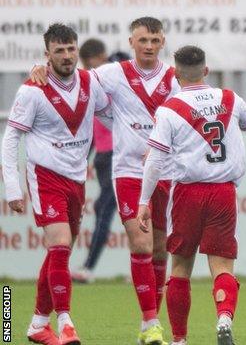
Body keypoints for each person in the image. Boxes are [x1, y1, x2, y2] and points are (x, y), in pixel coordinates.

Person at [31, 17, 179, 344]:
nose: (149, 46)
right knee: (139, 243)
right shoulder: (112, 74)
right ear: (131, 42)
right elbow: (70, 78)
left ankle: (148, 328)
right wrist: (39, 68)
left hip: (166, 173)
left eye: (155, 40)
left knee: (159, 250)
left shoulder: (173, 78)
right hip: (127, 171)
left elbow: (186, 117)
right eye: (143, 41)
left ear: (163, 41)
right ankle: (151, 322)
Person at [137, 45, 246, 345]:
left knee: (180, 267)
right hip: (223, 192)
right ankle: (224, 317)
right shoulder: (229, 98)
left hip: (188, 193)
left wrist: (143, 201)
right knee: (222, 266)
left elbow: (154, 159)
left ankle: (179, 340)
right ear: (206, 70)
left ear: (175, 74)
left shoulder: (169, 109)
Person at [2, 23, 110, 345]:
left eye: (71, 49)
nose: (66, 56)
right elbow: (11, 139)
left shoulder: (92, 82)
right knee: (61, 243)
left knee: (57, 253)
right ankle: (65, 323)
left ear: (77, 50)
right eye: (59, 50)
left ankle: (37, 324)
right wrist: (11, 187)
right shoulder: (32, 90)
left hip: (76, 178)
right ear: (46, 54)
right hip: (44, 175)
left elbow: (114, 114)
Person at [71, 39, 124, 284]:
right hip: (105, 156)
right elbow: (92, 129)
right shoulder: (92, 85)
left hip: (122, 153)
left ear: (102, 57)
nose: (93, 71)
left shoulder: (116, 73)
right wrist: (82, 159)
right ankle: (90, 267)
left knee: (108, 209)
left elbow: (124, 61)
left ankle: (89, 267)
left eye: (94, 64)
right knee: (104, 208)